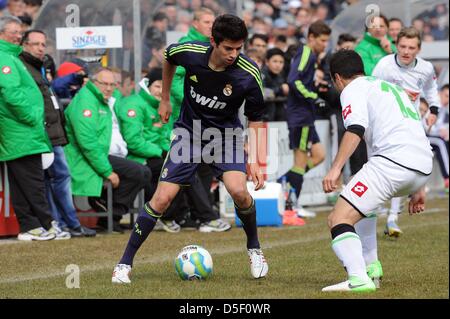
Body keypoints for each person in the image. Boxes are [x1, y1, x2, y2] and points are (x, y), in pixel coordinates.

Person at [112, 14, 268, 283]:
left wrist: (255, 159)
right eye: (228, 48)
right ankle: (124, 264)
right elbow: (168, 58)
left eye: (239, 48)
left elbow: (256, 118)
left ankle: (254, 248)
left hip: (226, 137)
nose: (234, 54)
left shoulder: (249, 74)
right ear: (213, 42)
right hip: (188, 135)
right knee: (161, 200)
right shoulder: (189, 52)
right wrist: (164, 99)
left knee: (240, 192)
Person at [321, 49, 433, 292]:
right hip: (422, 165)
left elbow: (355, 128)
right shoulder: (388, 88)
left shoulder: (352, 89)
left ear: (337, 78)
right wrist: (420, 186)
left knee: (338, 218)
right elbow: (413, 131)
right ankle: (372, 267)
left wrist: (335, 168)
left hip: (394, 163)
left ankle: (358, 279)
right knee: (365, 208)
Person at [19, 29, 96, 237]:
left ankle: (64, 223)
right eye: (36, 43)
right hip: (43, 133)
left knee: (56, 178)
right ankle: (63, 224)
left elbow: (51, 91)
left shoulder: (40, 66)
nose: (40, 47)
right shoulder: (23, 67)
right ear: (24, 44)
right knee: (56, 178)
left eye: (43, 44)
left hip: (53, 131)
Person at [0, 16, 68, 240]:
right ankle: (48, 225)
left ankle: (30, 227)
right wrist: (33, 117)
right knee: (33, 182)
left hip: (20, 130)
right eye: (14, 32)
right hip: (21, 129)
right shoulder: (5, 58)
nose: (19, 35)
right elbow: (11, 94)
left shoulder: (11, 56)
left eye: (20, 31)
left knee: (21, 183)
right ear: (2, 33)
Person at [167, 7, 231, 233]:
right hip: (187, 118)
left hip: (207, 121)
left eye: (212, 22)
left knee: (203, 169)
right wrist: (199, 101)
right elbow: (175, 82)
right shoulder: (186, 45)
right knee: (190, 169)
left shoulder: (213, 46)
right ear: (194, 24)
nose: (210, 25)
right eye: (206, 21)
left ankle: (193, 215)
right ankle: (206, 216)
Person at [64, 67, 151, 233]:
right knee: (139, 172)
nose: (109, 88)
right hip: (82, 159)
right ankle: (108, 210)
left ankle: (111, 214)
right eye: (104, 84)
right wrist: (107, 171)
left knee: (145, 172)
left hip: (101, 155)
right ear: (93, 83)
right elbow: (87, 144)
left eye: (113, 84)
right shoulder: (86, 101)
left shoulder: (104, 99)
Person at [372, 27, 440, 236]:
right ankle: (375, 208)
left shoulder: (426, 68)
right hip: (386, 125)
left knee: (409, 164)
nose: (406, 51)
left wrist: (433, 109)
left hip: (412, 124)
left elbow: (431, 90)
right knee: (384, 166)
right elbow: (372, 89)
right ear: (396, 45)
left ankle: (392, 218)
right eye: (402, 46)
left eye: (411, 47)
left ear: (418, 49)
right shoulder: (384, 65)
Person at [283, 20, 331, 218]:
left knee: (319, 156)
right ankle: (292, 204)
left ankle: (286, 181)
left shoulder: (310, 55)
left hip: (306, 115)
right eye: (322, 40)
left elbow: (301, 81)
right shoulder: (305, 53)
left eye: (327, 41)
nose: (325, 45)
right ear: (311, 37)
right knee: (300, 162)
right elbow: (293, 80)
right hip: (300, 115)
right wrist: (313, 96)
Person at [261, 47, 288, 121]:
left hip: (279, 118)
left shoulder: (281, 75)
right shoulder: (262, 74)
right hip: (264, 118)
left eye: (281, 62)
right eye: (275, 61)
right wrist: (280, 90)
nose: (278, 65)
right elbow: (261, 92)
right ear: (267, 62)